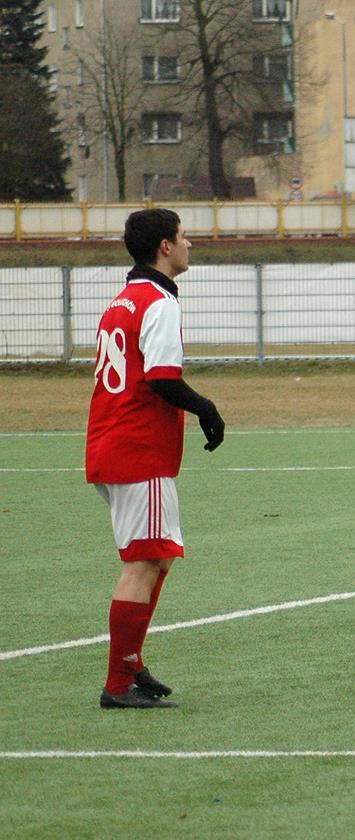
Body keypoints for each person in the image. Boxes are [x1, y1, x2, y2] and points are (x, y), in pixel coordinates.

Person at [87, 208, 226, 708]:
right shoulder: (159, 300)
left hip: (115, 443)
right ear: (165, 247)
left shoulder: (122, 299)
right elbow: (162, 378)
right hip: (137, 448)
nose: (190, 245)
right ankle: (118, 683)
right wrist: (207, 409)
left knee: (158, 556)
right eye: (185, 238)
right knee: (145, 560)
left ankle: (132, 663)